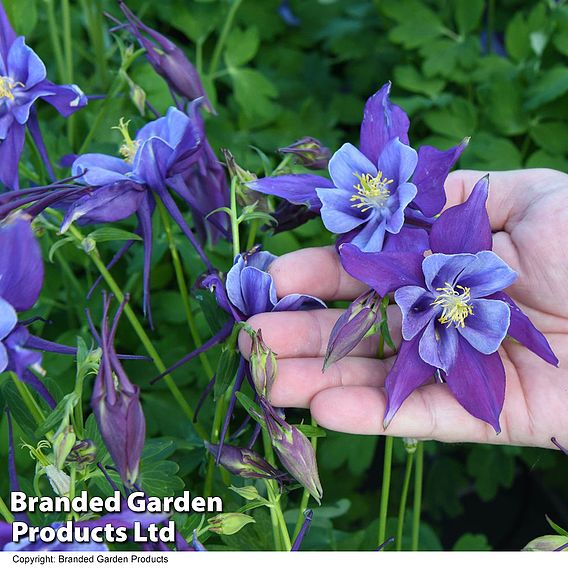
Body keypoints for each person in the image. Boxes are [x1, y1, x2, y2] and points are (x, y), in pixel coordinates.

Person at [239, 169, 568, 450]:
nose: (456, 305)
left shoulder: (484, 300)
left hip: (435, 318)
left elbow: (517, 340)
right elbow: (362, 260)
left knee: (401, 395)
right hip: (423, 297)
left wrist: (548, 355)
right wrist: (356, 256)